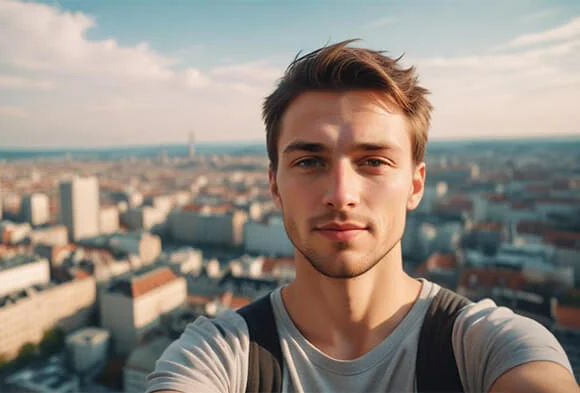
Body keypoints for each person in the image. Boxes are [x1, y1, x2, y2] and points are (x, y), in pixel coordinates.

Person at [146, 39, 578, 393]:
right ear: (274, 184)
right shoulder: (217, 357)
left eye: (373, 161)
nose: (340, 194)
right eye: (310, 162)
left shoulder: (488, 350)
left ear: (415, 184)